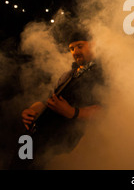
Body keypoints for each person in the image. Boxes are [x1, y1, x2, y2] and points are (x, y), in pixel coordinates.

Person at [11, 28, 105, 169]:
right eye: (72, 48)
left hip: (65, 148)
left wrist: (73, 112)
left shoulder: (101, 73)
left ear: (92, 45)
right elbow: (47, 101)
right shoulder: (67, 75)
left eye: (80, 46)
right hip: (36, 139)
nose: (75, 52)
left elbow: (107, 111)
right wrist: (30, 111)